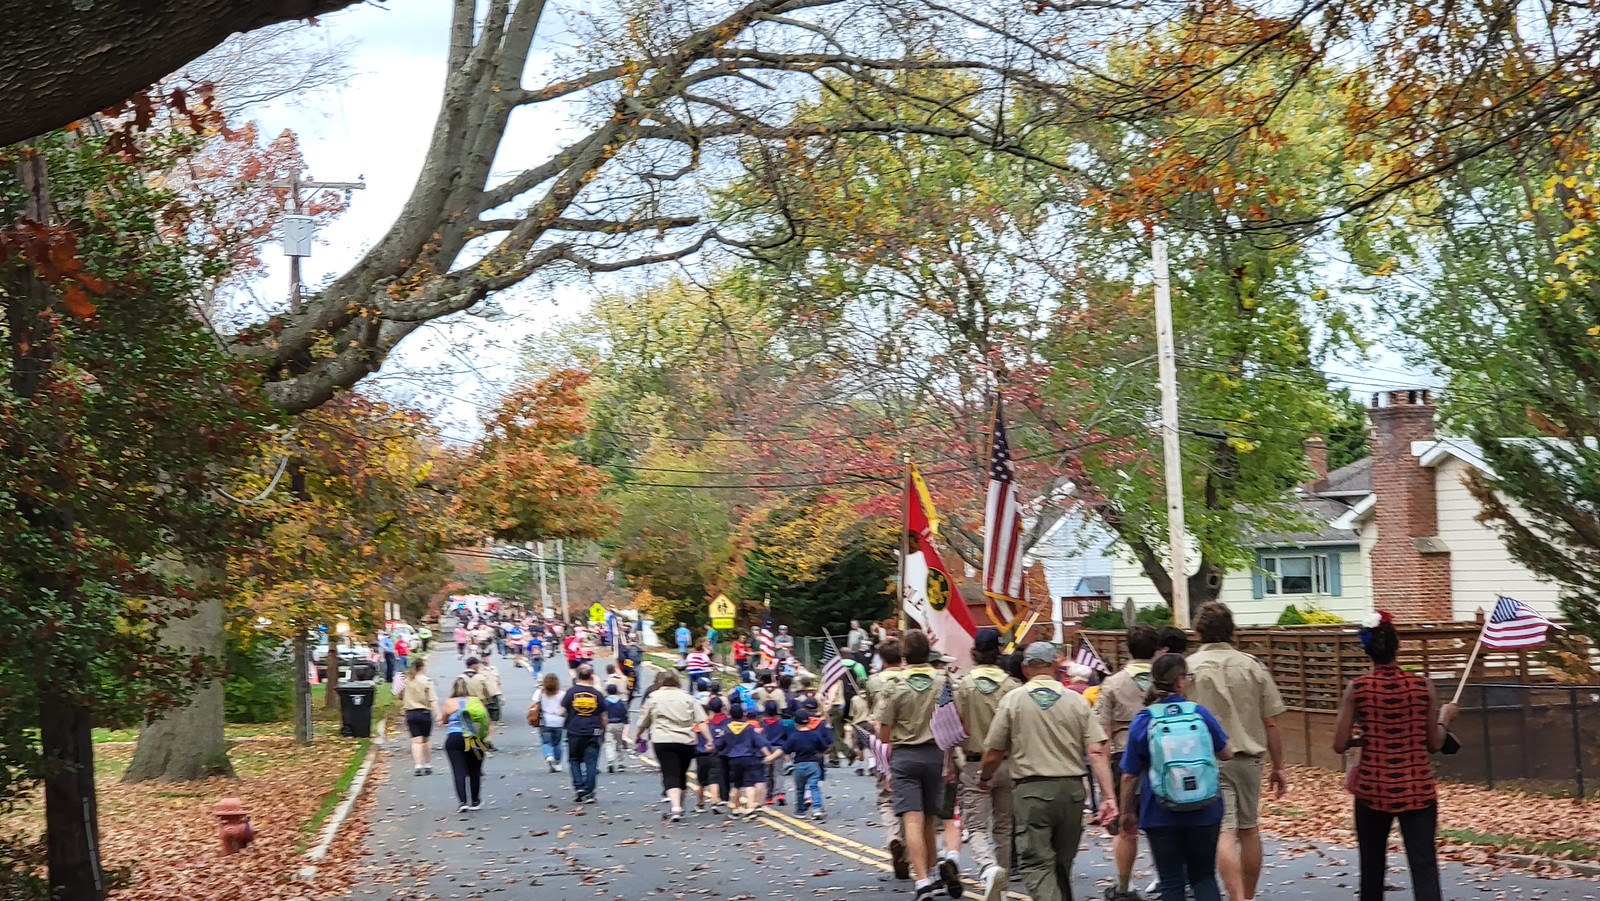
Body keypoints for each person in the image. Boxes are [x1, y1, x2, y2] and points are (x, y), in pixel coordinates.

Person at [1333, 612, 1459, 901]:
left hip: (1373, 790)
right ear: (1396, 647)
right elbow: (1434, 744)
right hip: (1418, 790)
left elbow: (1339, 744)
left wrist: (1364, 737)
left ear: (1367, 650)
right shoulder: (1422, 686)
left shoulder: (1358, 688)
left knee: (1372, 869)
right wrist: (1445, 717)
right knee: (1424, 867)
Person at [980, 641, 1118, 901]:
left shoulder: (1013, 700)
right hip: (1072, 793)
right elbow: (1096, 751)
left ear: (1025, 668)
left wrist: (985, 776)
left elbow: (994, 752)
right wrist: (1108, 796)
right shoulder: (1076, 701)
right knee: (1061, 865)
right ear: (1056, 666)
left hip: (1032, 791)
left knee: (1036, 864)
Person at [1185, 603, 1288, 901]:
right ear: (1232, 630)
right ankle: (1248, 896)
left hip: (1208, 760)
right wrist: (1279, 767)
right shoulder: (1252, 666)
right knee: (1250, 829)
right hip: (1249, 760)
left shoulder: (1189, 669)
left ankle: (1235, 896)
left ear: (1199, 630)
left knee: (1224, 832)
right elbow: (1271, 722)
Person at [1120, 653, 1233, 901]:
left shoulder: (1146, 719)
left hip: (1159, 812)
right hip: (1205, 810)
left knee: (1172, 882)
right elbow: (1227, 753)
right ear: (1180, 681)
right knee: (1203, 877)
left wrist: (1126, 811)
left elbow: (1129, 774)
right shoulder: (1200, 713)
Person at [876, 629, 960, 901]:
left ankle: (921, 880)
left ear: (904, 654)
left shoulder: (894, 686)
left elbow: (884, 735)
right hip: (935, 754)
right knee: (930, 818)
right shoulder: (942, 681)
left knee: (912, 818)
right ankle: (934, 870)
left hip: (905, 757)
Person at [955, 628, 1022, 901]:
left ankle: (988, 865)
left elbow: (955, 727)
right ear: (999, 652)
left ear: (974, 653)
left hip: (975, 763)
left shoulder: (963, 686)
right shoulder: (1012, 687)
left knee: (977, 825)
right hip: (1007, 762)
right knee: (1004, 825)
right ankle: (1002, 884)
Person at [1095, 624, 1160, 901]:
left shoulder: (1113, 683)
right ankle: (1166, 877)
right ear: (1156, 649)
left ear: (1128, 649)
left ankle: (1124, 885)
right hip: (1162, 754)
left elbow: (1101, 733)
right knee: (1161, 822)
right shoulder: (1165, 680)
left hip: (1125, 756)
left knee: (1126, 826)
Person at [865, 636, 910, 879]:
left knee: (885, 798)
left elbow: (876, 715)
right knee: (908, 800)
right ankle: (905, 843)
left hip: (883, 743)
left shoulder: (873, 682)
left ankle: (893, 836)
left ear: (881, 659)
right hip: (907, 742)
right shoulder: (908, 679)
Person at [638, 670, 706, 821]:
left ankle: (675, 808)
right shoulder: (688, 698)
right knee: (682, 773)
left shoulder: (654, 697)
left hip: (663, 739)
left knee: (669, 772)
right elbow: (701, 720)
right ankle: (679, 806)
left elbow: (644, 719)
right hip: (686, 740)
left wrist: (638, 734)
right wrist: (709, 739)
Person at [718, 702, 783, 819]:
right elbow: (759, 743)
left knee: (736, 784)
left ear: (730, 716)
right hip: (748, 757)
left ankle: (735, 807)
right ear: (743, 715)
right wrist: (768, 756)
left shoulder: (726, 729)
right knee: (749, 783)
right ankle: (750, 806)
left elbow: (720, 744)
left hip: (733, 759)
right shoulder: (749, 728)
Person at [439, 676, 488, 812]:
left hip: (455, 738)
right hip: (474, 738)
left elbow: (443, 720)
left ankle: (462, 802)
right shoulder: (475, 701)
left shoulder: (449, 702)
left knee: (458, 771)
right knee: (475, 771)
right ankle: (475, 800)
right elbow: (485, 718)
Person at [562, 663, 607, 803]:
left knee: (574, 759)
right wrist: (603, 731)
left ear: (577, 675)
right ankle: (589, 791)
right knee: (591, 762)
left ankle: (579, 787)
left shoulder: (570, 693)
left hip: (575, 730)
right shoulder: (597, 694)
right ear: (591, 675)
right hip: (593, 731)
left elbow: (562, 711)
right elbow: (604, 717)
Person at [786, 697, 833, 820]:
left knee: (800, 786)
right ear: (816, 708)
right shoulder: (821, 725)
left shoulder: (796, 729)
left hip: (800, 760)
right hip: (816, 757)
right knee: (816, 782)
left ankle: (803, 805)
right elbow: (828, 742)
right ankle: (815, 804)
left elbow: (787, 746)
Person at [400, 657, 439, 776]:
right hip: (424, 713)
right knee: (425, 741)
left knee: (416, 741)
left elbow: (398, 694)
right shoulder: (427, 681)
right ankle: (427, 764)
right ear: (422, 667)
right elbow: (433, 699)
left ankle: (417, 765)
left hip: (410, 713)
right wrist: (438, 713)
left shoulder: (406, 680)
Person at [696, 695, 733, 813]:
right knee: (715, 778)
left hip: (702, 754)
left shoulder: (705, 724)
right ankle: (717, 799)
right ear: (722, 707)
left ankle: (701, 802)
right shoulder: (728, 721)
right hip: (721, 753)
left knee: (701, 780)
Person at [531, 672, 566, 773]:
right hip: (559, 721)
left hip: (545, 721)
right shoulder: (562, 694)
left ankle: (549, 756)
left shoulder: (540, 693)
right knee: (557, 743)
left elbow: (533, 705)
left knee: (546, 742)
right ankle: (558, 763)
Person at [603, 684, 631, 773]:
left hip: (608, 724)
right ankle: (620, 763)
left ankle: (610, 761)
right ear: (617, 691)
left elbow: (602, 714)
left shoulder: (605, 702)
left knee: (609, 743)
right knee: (619, 743)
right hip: (619, 724)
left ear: (607, 691)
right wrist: (626, 722)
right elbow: (624, 713)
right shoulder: (620, 702)